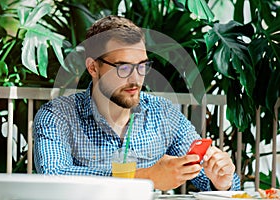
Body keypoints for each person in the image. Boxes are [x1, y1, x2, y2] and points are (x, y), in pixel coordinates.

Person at [33, 15, 240, 191]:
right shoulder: (57, 115)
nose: (136, 79)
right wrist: (143, 177)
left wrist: (222, 180)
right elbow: (54, 176)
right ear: (93, 68)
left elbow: (213, 180)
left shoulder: (163, 113)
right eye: (123, 68)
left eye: (142, 66)